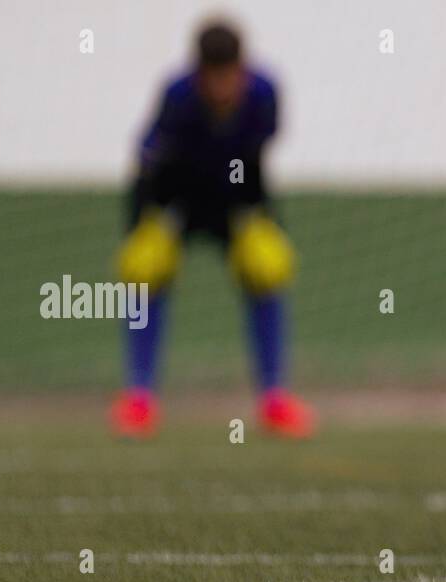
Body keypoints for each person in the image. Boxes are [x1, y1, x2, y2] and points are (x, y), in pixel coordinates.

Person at [111, 20, 313, 438]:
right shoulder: (177, 96)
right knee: (144, 274)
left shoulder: (263, 94)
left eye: (229, 78)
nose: (222, 89)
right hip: (177, 197)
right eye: (213, 79)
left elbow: (256, 159)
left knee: (267, 270)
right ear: (199, 73)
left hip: (234, 198)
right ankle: (138, 398)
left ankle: (275, 398)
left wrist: (260, 216)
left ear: (242, 69)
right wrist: (141, 225)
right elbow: (149, 163)